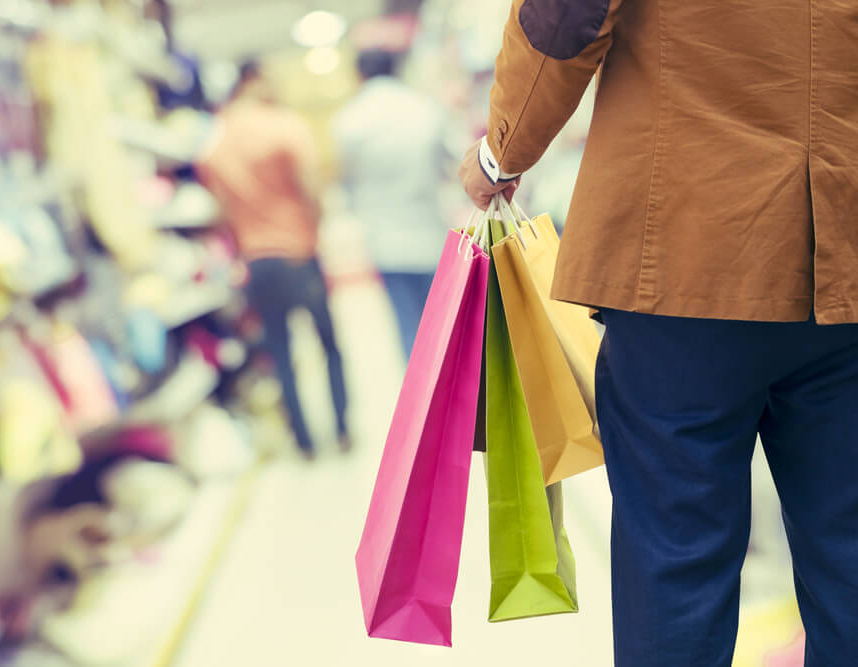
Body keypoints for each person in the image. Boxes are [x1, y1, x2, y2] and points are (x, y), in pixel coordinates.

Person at [459, 2, 858, 666]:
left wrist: (502, 151)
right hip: (841, 259)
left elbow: (566, 18)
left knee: (678, 559)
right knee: (849, 550)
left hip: (684, 256)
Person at [199, 61, 349, 459]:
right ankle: (343, 430)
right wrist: (316, 231)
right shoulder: (285, 125)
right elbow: (311, 188)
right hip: (299, 251)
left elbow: (219, 208)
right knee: (328, 344)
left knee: (280, 352)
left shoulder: (217, 139)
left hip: (256, 259)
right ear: (254, 81)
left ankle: (304, 442)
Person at [333, 49, 450, 360]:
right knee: (445, 322)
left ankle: (424, 402)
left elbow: (347, 181)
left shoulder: (349, 120)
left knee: (408, 327)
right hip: (430, 231)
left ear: (359, 75)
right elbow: (448, 166)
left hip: (383, 239)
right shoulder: (424, 109)